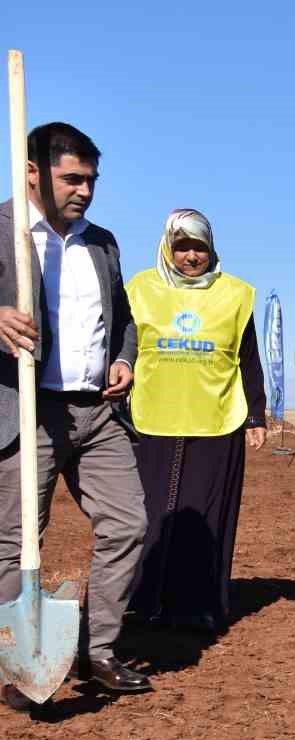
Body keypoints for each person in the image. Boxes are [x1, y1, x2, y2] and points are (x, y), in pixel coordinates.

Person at [0, 123, 150, 703]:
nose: (84, 190)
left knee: (128, 525)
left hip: (97, 413)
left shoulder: (102, 242)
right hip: (28, 410)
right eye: (72, 178)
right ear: (33, 172)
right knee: (16, 542)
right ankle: (19, 658)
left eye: (91, 180)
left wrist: (124, 358)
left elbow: (125, 317)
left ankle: (98, 650)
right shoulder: (3, 231)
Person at [125, 210, 266, 632]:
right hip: (152, 415)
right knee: (146, 515)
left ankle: (198, 605)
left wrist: (256, 413)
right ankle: (139, 600)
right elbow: (123, 347)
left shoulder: (237, 294)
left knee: (207, 513)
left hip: (217, 418)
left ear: (212, 249)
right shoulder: (140, 288)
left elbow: (248, 358)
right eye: (182, 247)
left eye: (199, 247)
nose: (191, 256)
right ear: (167, 249)